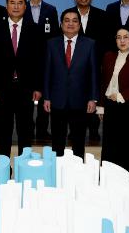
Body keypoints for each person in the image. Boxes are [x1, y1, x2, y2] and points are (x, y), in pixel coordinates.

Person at [0, 0, 44, 159]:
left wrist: (38, 87)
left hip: (26, 88)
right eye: (12, 3)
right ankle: (4, 167)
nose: (16, 6)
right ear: (6, 6)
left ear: (25, 6)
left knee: (25, 131)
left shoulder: (35, 29)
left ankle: (23, 167)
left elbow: (39, 61)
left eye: (20, 3)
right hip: (2, 89)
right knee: (3, 132)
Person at [43, 9, 98, 158]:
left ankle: (78, 170)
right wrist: (46, 97)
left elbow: (94, 73)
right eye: (67, 20)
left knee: (78, 143)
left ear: (79, 25)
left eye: (74, 21)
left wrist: (93, 98)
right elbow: (47, 72)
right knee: (57, 142)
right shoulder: (51, 43)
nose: (70, 24)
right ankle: (58, 170)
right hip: (57, 100)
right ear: (61, 24)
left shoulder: (90, 44)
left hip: (80, 101)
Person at [99, 27, 129, 176]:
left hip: (128, 107)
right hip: (110, 106)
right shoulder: (108, 56)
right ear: (115, 41)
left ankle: (124, 179)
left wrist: (121, 96)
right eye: (119, 37)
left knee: (125, 145)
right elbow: (103, 82)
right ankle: (107, 178)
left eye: (126, 37)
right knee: (108, 145)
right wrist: (101, 105)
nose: (122, 40)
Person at [65, 0, 108, 142]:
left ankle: (94, 130)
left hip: (95, 64)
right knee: (74, 98)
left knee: (93, 96)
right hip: (74, 65)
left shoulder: (101, 15)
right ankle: (73, 130)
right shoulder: (68, 14)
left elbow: (105, 41)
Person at [23, 0, 59, 139]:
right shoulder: (22, 8)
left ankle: (42, 130)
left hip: (45, 60)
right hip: (25, 60)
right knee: (27, 98)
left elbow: (55, 35)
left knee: (45, 95)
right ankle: (28, 129)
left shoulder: (51, 10)